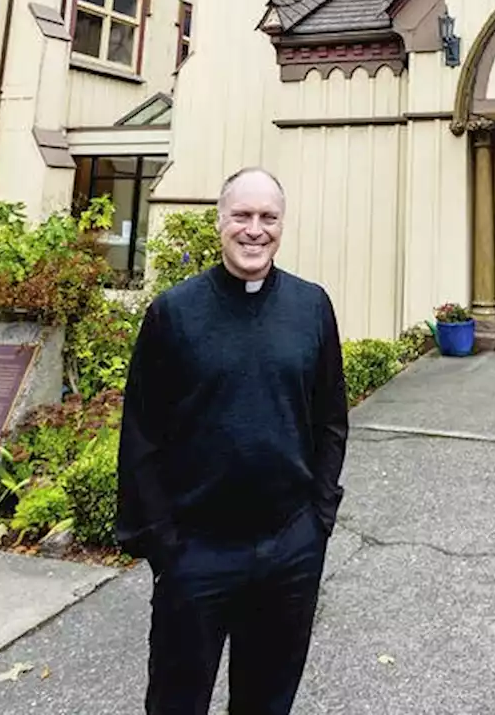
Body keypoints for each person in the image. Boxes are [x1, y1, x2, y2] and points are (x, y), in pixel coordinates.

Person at [117, 167, 348, 715]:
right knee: (177, 701)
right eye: (242, 216)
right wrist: (164, 545)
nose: (255, 230)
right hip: (196, 552)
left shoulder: (311, 307)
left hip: (290, 547)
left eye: (268, 218)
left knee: (267, 700)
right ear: (220, 222)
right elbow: (142, 435)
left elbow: (330, 420)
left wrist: (318, 519)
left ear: (282, 225)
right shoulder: (174, 313)